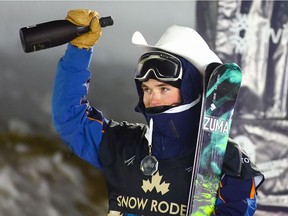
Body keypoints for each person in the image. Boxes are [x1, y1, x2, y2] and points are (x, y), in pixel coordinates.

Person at [52, 9, 264, 216]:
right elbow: (70, 118)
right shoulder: (122, 144)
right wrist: (79, 51)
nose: (152, 98)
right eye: (146, 89)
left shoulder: (226, 160)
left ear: (191, 90)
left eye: (164, 89)